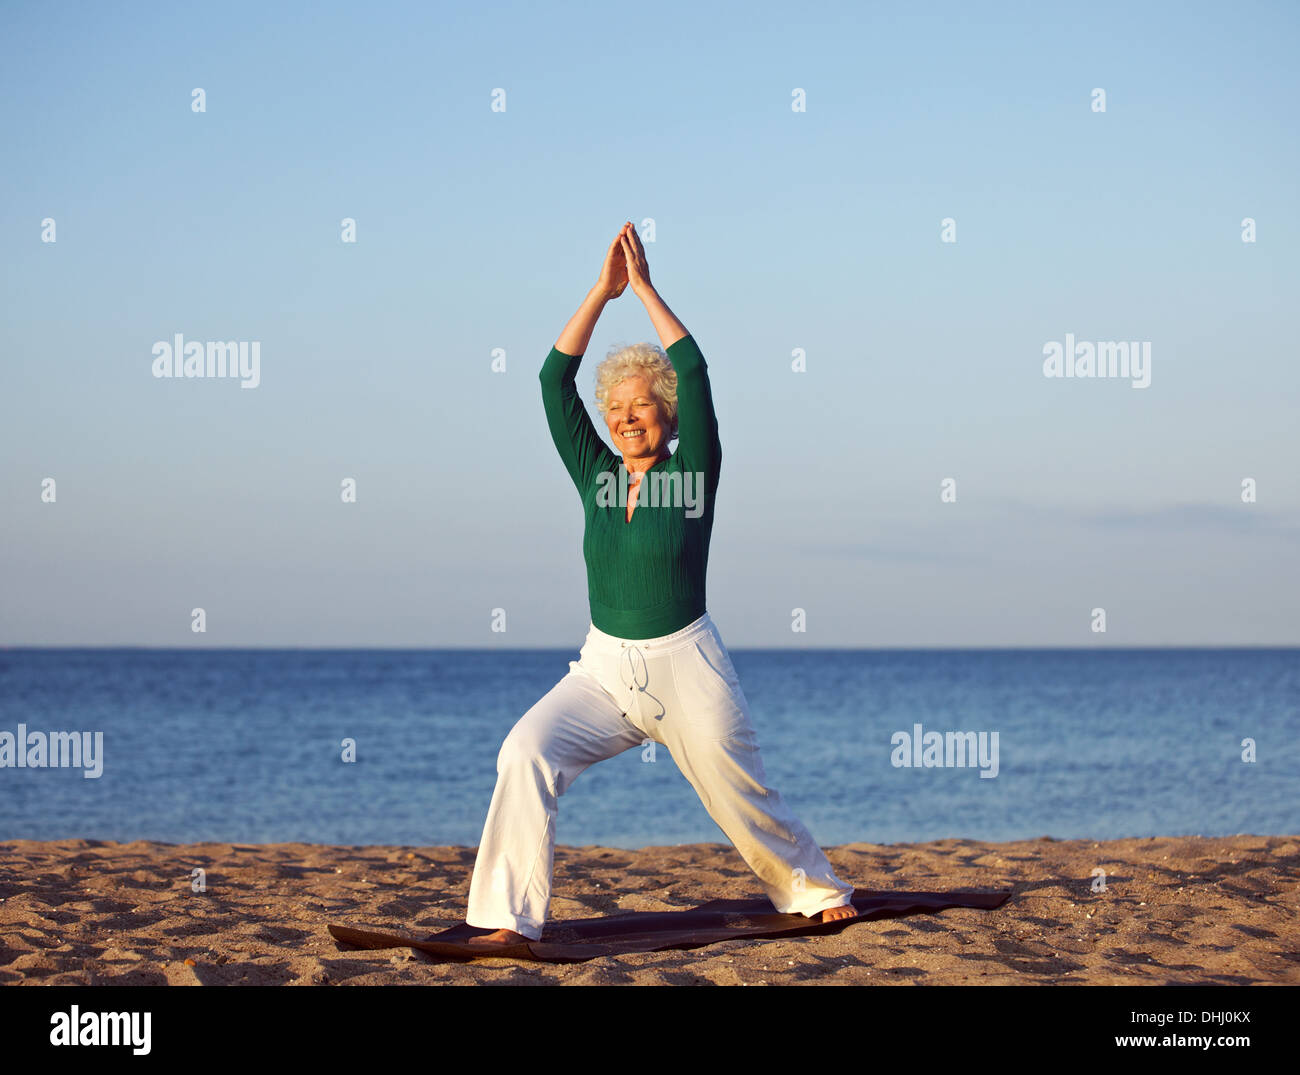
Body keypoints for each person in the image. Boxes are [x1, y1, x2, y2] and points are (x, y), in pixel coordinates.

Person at [465, 222, 857, 944]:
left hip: (686, 663)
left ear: (665, 413)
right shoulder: (598, 477)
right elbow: (553, 381)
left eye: (640, 405)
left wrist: (643, 289)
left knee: (737, 791)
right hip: (604, 670)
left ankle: (812, 886)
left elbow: (697, 370)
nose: (624, 418)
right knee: (524, 751)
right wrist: (601, 292)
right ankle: (507, 919)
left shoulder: (692, 474)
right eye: (615, 410)